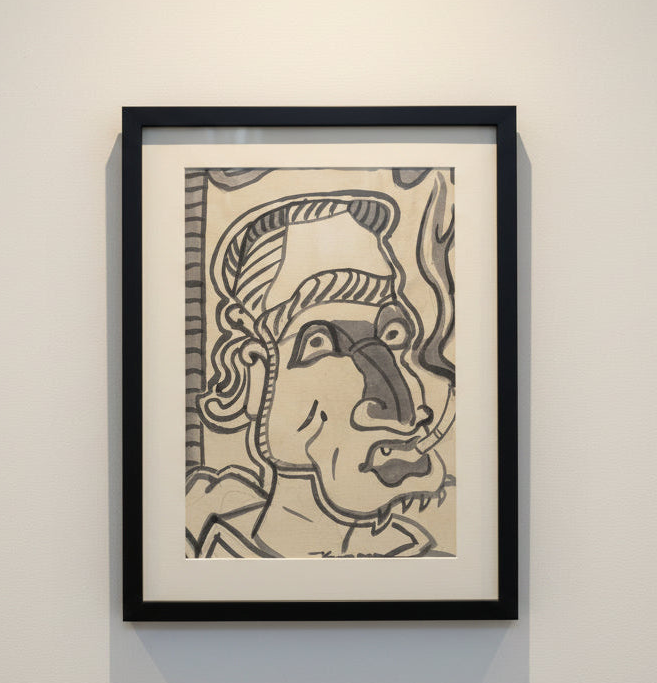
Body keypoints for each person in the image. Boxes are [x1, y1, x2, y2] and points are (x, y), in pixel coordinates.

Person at [185, 190, 455, 558]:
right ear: (256, 377)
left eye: (392, 335)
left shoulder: (436, 563)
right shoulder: (204, 558)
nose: (399, 407)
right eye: (320, 343)